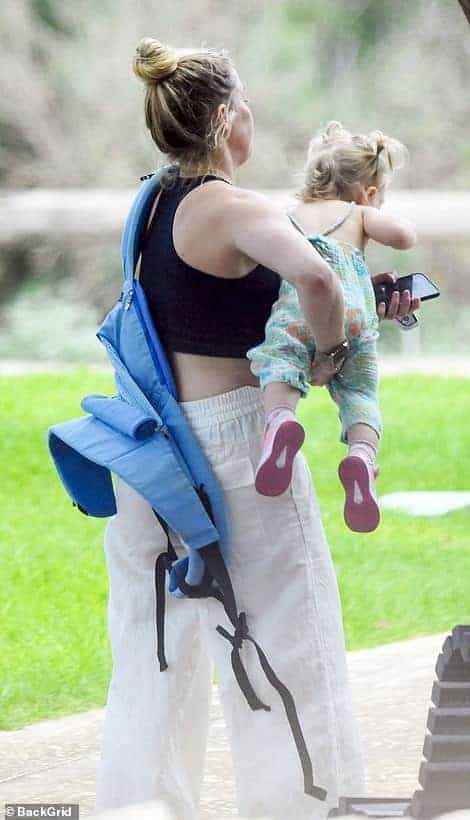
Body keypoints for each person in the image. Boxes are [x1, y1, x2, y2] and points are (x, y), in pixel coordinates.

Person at [94, 39, 419, 820]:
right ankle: (307, 809)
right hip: (236, 445)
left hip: (150, 450)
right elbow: (314, 279)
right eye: (244, 105)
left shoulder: (154, 204)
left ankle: (142, 807)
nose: (252, 117)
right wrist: (334, 352)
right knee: (287, 645)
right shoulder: (235, 209)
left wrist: (360, 297)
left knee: (156, 652)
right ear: (223, 118)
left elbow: (253, 299)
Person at [248, 121, 418, 533]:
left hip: (299, 311)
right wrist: (378, 215)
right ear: (369, 192)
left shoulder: (289, 217)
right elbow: (403, 238)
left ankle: (280, 421)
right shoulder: (359, 212)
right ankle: (362, 455)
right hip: (355, 316)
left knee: (279, 362)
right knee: (360, 392)